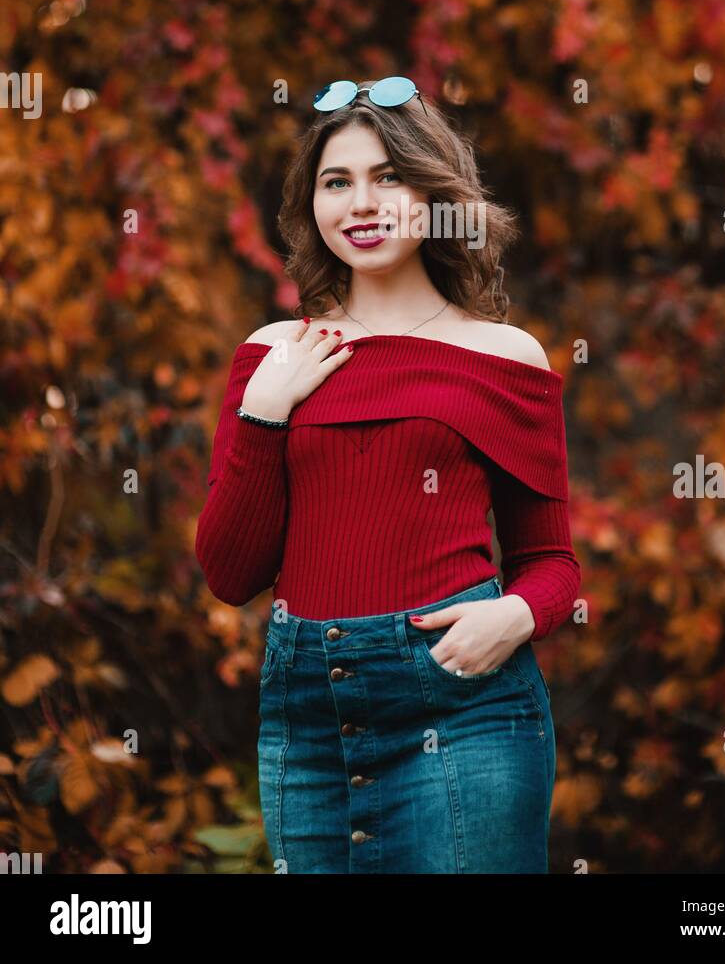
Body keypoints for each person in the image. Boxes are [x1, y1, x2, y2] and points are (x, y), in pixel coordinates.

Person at [195, 76, 582, 874]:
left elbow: (551, 564)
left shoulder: (502, 359)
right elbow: (230, 575)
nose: (360, 203)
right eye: (337, 182)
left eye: (388, 177)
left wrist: (510, 619)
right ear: (311, 205)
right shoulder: (273, 357)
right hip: (309, 719)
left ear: (433, 192)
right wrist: (265, 416)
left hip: (463, 701)